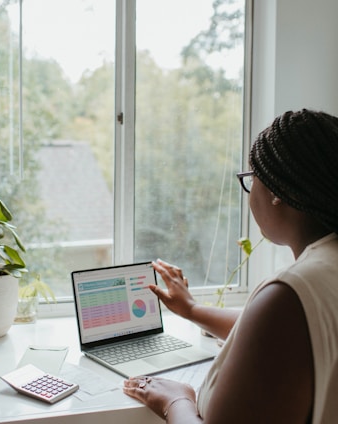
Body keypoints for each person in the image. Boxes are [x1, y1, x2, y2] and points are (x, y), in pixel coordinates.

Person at [123, 109, 338, 423]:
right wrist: (192, 309)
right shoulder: (321, 276)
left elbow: (276, 324)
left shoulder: (291, 292)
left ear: (277, 191)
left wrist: (176, 401)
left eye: (251, 179)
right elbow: (270, 333)